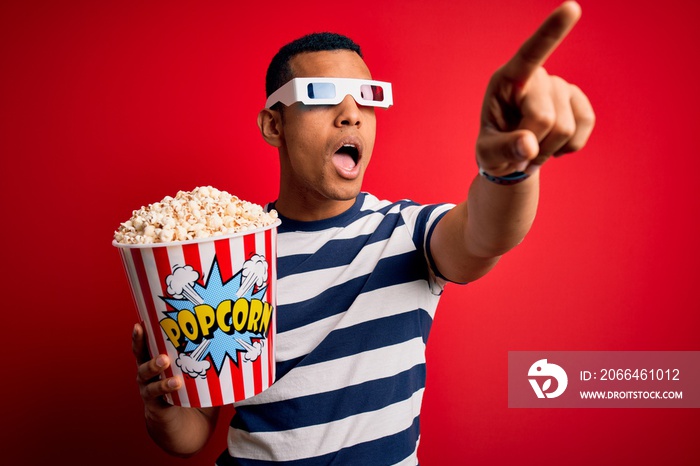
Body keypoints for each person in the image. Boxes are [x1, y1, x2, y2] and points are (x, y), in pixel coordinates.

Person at [131, 2, 595, 464]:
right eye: (320, 94)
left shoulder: (405, 234)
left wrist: (509, 170)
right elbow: (191, 435)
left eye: (367, 97)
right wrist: (162, 406)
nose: (352, 114)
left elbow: (484, 235)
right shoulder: (226, 258)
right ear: (275, 124)